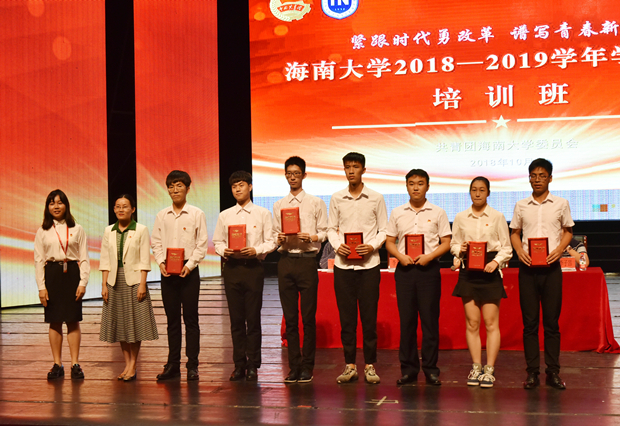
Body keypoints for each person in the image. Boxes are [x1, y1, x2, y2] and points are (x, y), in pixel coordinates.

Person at [510, 158, 574, 390]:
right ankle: (532, 372)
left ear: (550, 178)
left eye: (542, 175)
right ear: (529, 178)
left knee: (551, 323)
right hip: (527, 270)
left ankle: (553, 372)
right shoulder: (521, 205)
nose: (537, 179)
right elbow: (515, 233)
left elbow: (568, 231)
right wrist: (519, 251)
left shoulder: (561, 203)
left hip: (551, 270)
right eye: (534, 176)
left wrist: (559, 250)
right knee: (529, 324)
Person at [385, 169, 451, 386]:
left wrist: (430, 256)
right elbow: (389, 242)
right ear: (406, 186)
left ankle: (431, 370)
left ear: (428, 186)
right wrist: (400, 257)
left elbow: (446, 242)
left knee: (430, 322)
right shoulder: (397, 212)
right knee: (407, 322)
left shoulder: (438, 212)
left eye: (420, 183)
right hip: (405, 271)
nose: (416, 187)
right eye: (412, 183)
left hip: (428, 271)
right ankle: (409, 370)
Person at [327, 152, 388, 384]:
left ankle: (370, 365)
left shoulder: (376, 197)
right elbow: (331, 228)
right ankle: (350, 365)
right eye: (347, 167)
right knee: (347, 319)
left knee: (369, 319)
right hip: (343, 266)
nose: (351, 171)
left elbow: (384, 230)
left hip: (369, 265)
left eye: (355, 166)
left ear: (363, 169)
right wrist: (337, 245)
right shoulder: (336, 197)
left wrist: (372, 246)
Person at [213, 171, 276, 382]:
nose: (237, 189)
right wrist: (224, 251)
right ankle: (239, 364)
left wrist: (256, 250)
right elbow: (218, 241)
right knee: (236, 320)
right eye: (234, 186)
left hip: (253, 269)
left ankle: (253, 365)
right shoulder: (225, 215)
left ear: (250, 186)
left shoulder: (262, 213)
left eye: (241, 185)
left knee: (253, 319)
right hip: (232, 269)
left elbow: (271, 241)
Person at [450, 177, 512, 388]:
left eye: (482, 190)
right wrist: (459, 250)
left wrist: (495, 262)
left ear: (488, 193)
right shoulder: (460, 217)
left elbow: (506, 247)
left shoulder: (497, 216)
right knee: (472, 323)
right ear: (469, 192)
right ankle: (476, 367)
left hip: (490, 270)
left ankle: (489, 369)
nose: (477, 194)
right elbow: (454, 244)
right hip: (468, 272)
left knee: (491, 323)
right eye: (474, 190)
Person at [273, 156, 327, 383]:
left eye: (296, 173)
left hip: (307, 261)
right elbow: (274, 234)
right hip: (286, 261)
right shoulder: (279, 205)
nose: (292, 177)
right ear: (285, 175)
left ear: (304, 175)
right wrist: (278, 238)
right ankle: (293, 366)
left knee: (308, 316)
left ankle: (307, 366)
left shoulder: (315, 202)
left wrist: (312, 237)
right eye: (289, 173)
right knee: (290, 317)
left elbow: (325, 231)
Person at [151, 170, 208, 381]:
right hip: (168, 271)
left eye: (179, 185)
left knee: (191, 319)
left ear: (188, 188)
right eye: (171, 186)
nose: (175, 190)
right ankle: (172, 365)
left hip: (188, 271)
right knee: (172, 320)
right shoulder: (162, 215)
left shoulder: (196, 214)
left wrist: (190, 265)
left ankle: (192, 365)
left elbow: (202, 244)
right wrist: (160, 262)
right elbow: (156, 242)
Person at [99, 194, 158, 381]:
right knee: (121, 325)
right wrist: (104, 285)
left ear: (133, 209)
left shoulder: (140, 229)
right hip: (114, 281)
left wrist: (143, 284)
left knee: (135, 323)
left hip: (134, 281)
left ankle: (133, 364)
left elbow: (144, 260)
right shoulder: (109, 230)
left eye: (125, 206)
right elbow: (105, 260)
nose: (121, 209)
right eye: (117, 206)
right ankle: (127, 364)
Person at [34, 189, 90, 380]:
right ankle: (57, 363)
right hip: (52, 274)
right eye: (52, 203)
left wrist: (83, 282)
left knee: (73, 320)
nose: (56, 206)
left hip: (72, 273)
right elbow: (38, 261)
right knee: (54, 320)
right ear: (47, 207)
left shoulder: (77, 228)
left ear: (66, 205)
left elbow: (84, 258)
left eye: (60, 202)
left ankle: (75, 363)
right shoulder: (42, 231)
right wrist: (41, 287)